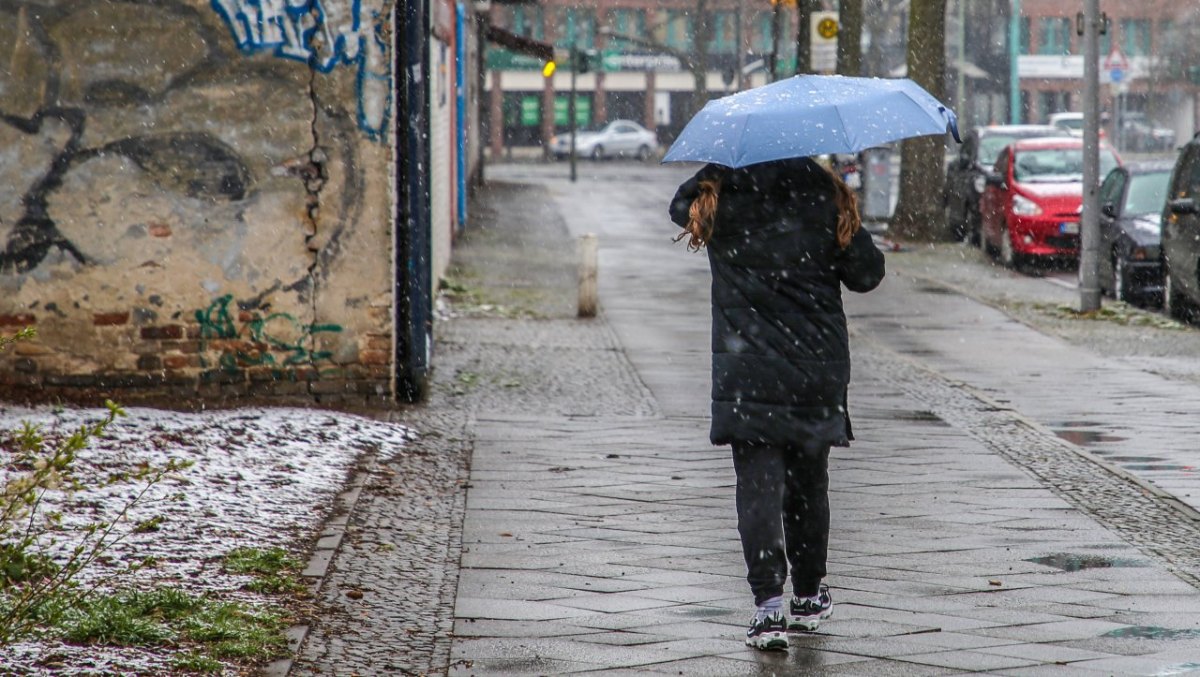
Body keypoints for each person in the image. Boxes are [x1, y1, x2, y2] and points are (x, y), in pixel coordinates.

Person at [668, 157, 885, 651]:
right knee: (809, 484)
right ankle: (808, 594)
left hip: (748, 371)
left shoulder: (722, 192)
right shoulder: (824, 192)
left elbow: (679, 206)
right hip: (815, 368)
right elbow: (868, 274)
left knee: (759, 488)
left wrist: (719, 165)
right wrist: (841, 202)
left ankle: (768, 608)